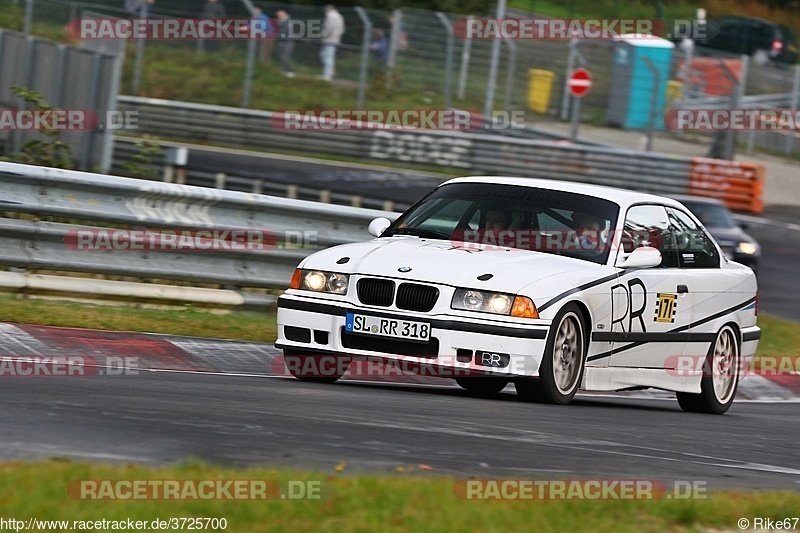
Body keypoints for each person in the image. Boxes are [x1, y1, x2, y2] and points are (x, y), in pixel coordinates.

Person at [320, 5, 345, 81]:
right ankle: (331, 72)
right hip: (335, 39)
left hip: (329, 39)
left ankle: (327, 75)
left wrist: (322, 35)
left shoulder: (330, 17)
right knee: (326, 55)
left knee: (328, 57)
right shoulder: (340, 16)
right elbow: (342, 29)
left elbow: (328, 29)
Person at [275, 9, 294, 77]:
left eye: (280, 15)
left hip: (287, 42)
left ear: (284, 14)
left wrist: (279, 34)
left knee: (286, 57)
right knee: (282, 57)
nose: (279, 16)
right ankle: (285, 70)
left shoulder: (288, 21)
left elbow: (285, 31)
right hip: (281, 41)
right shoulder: (279, 21)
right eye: (278, 16)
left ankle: (289, 71)